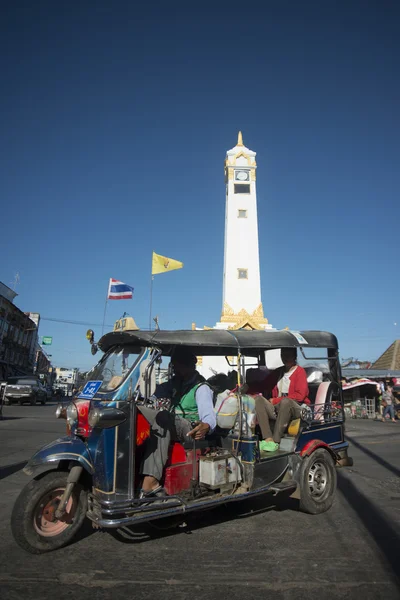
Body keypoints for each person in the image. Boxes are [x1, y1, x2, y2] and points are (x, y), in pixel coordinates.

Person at [140, 348, 216, 498]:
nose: (174, 370)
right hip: (175, 425)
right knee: (138, 410)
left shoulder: (202, 388)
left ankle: (152, 481)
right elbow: (151, 392)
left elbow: (209, 417)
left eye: (176, 366)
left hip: (191, 430)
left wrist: (206, 426)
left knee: (163, 418)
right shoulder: (175, 383)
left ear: (187, 366)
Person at [254, 348, 310, 453]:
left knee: (286, 402)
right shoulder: (279, 371)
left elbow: (300, 396)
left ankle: (276, 440)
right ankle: (268, 438)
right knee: (259, 400)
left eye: (288, 355)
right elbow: (264, 384)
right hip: (279, 407)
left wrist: (276, 400)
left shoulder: (300, 372)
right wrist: (247, 388)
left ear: (294, 357)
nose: (285, 358)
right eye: (283, 355)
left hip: (296, 408)